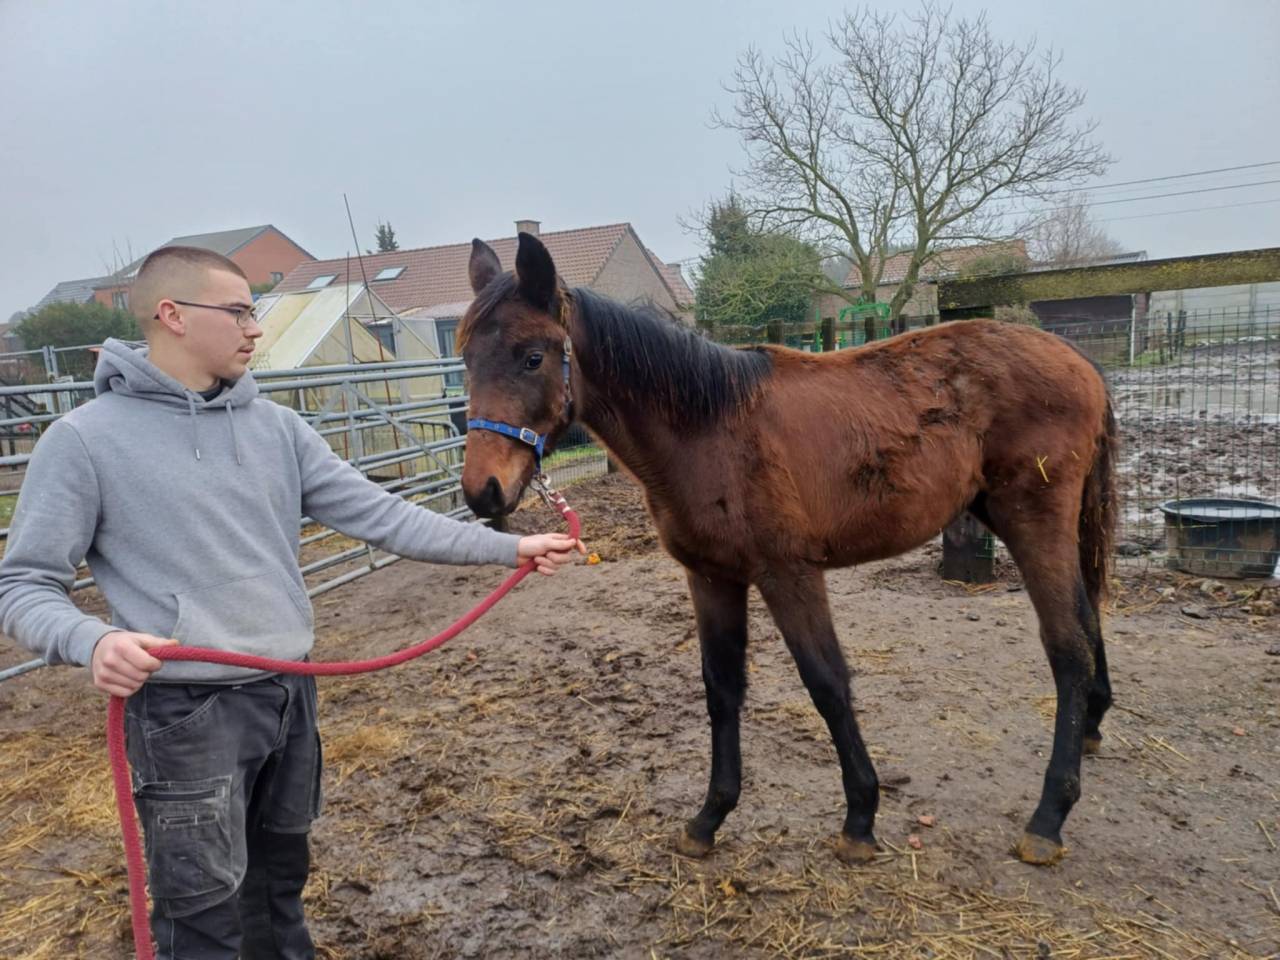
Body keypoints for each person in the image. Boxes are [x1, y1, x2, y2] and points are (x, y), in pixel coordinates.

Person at [0, 245, 582, 959]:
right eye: (238, 312)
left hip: (287, 695)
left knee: (277, 890)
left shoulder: (276, 428)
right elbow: (22, 584)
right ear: (173, 315)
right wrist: (91, 640)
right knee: (202, 913)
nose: (255, 329)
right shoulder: (83, 442)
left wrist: (509, 547)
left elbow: (383, 516)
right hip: (185, 714)